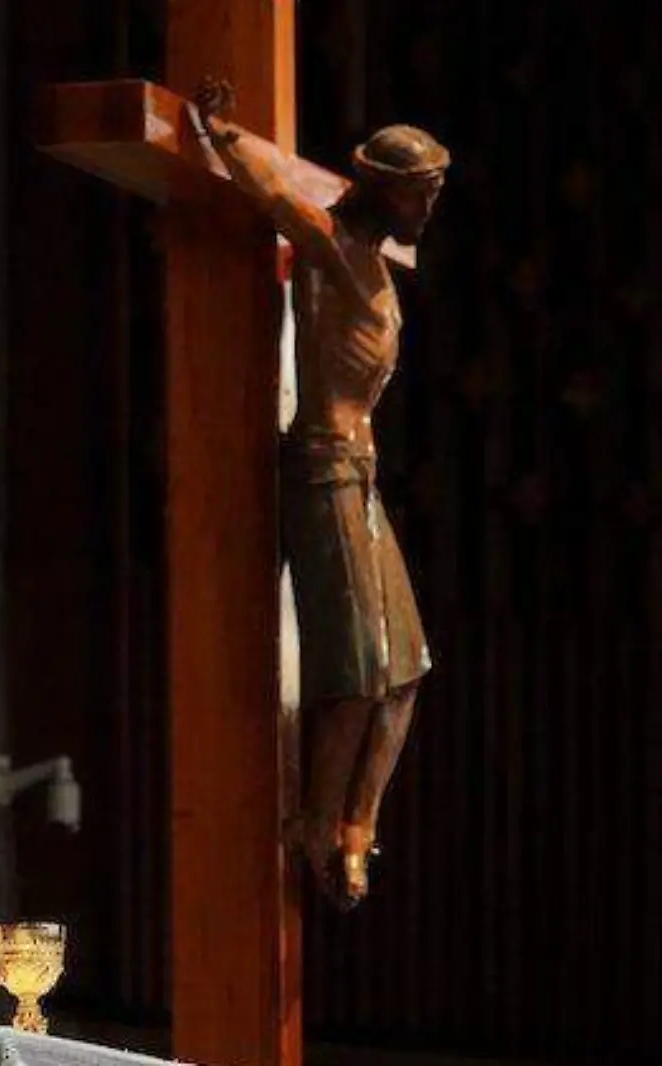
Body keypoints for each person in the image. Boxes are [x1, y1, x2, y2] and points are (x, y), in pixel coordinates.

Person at [190, 79, 449, 909]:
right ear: (383, 188)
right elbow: (274, 194)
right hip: (324, 468)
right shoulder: (334, 247)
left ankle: (358, 825)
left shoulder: (377, 265)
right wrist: (221, 133)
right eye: (421, 192)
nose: (429, 208)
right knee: (362, 673)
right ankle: (315, 820)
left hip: (361, 474)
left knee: (407, 670)